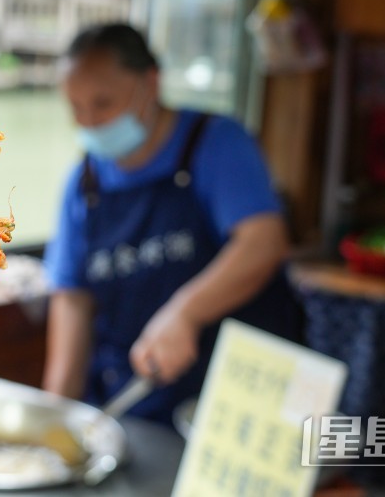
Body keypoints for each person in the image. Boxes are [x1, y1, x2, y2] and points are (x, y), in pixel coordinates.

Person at [42, 23, 301, 424]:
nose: (89, 121)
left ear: (150, 83)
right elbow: (72, 301)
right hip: (133, 402)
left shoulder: (217, 143)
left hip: (235, 403)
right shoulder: (83, 186)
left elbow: (263, 242)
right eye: (76, 108)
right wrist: (53, 419)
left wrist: (186, 313)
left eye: (103, 103)